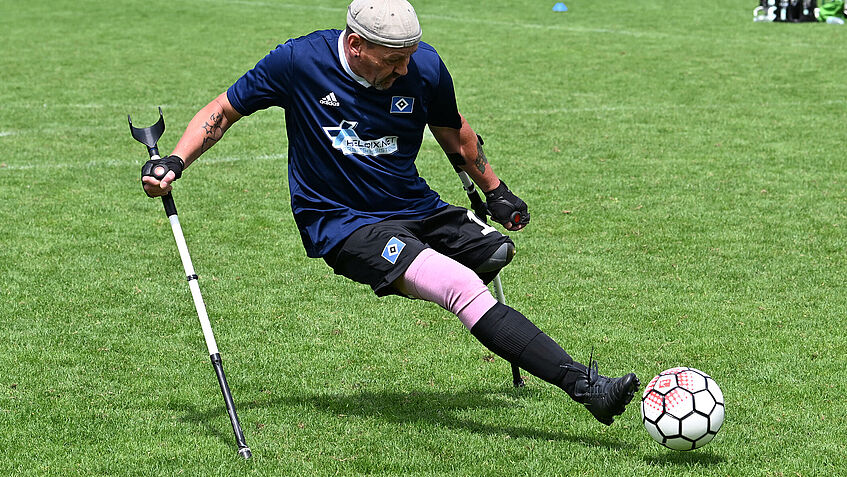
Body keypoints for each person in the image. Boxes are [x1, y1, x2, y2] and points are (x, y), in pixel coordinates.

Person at [141, 0, 639, 425]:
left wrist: (495, 188)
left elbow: (453, 128)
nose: (404, 69)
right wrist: (175, 161)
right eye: (392, 60)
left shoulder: (423, 67)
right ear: (356, 45)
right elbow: (223, 111)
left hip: (416, 206)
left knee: (497, 249)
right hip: (342, 223)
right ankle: (586, 387)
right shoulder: (299, 61)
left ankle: (437, 269)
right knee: (460, 286)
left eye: (409, 58)